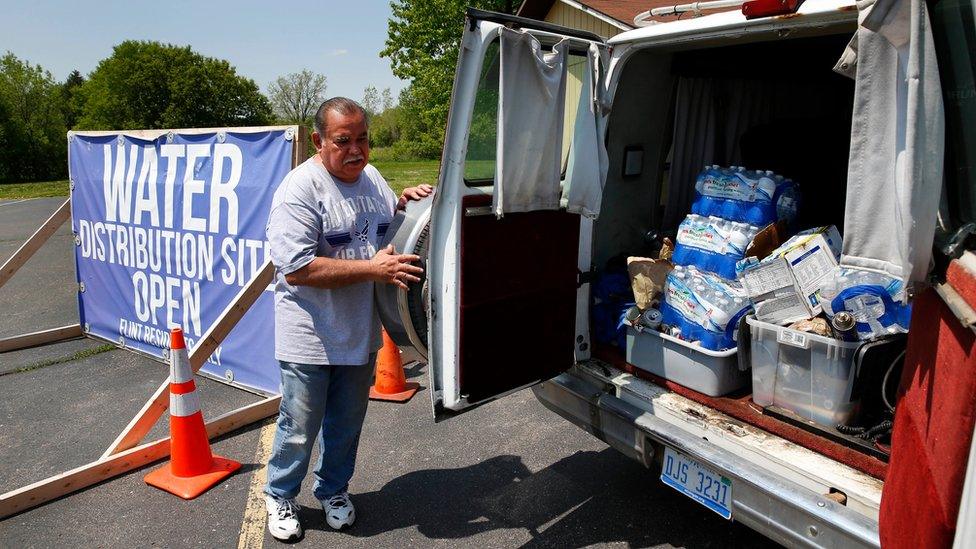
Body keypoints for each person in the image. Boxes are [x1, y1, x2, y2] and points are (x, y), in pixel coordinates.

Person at [263, 97, 432, 541]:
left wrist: (403, 204)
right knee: (299, 427)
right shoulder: (299, 190)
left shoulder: (372, 178)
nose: (356, 150)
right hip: (309, 338)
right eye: (343, 141)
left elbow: (377, 228)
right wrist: (372, 270)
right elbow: (297, 268)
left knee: (345, 425)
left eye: (363, 139)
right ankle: (279, 494)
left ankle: (333, 491)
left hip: (359, 335)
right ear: (318, 142)